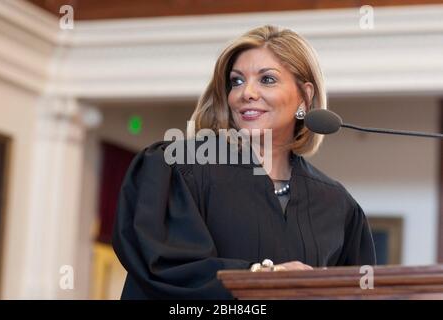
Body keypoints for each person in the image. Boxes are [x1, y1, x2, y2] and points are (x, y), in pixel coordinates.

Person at [112, 25, 376, 300]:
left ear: (305, 97)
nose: (246, 92)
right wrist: (263, 278)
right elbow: (165, 269)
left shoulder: (336, 205)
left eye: (267, 80)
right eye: (237, 81)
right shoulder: (178, 168)